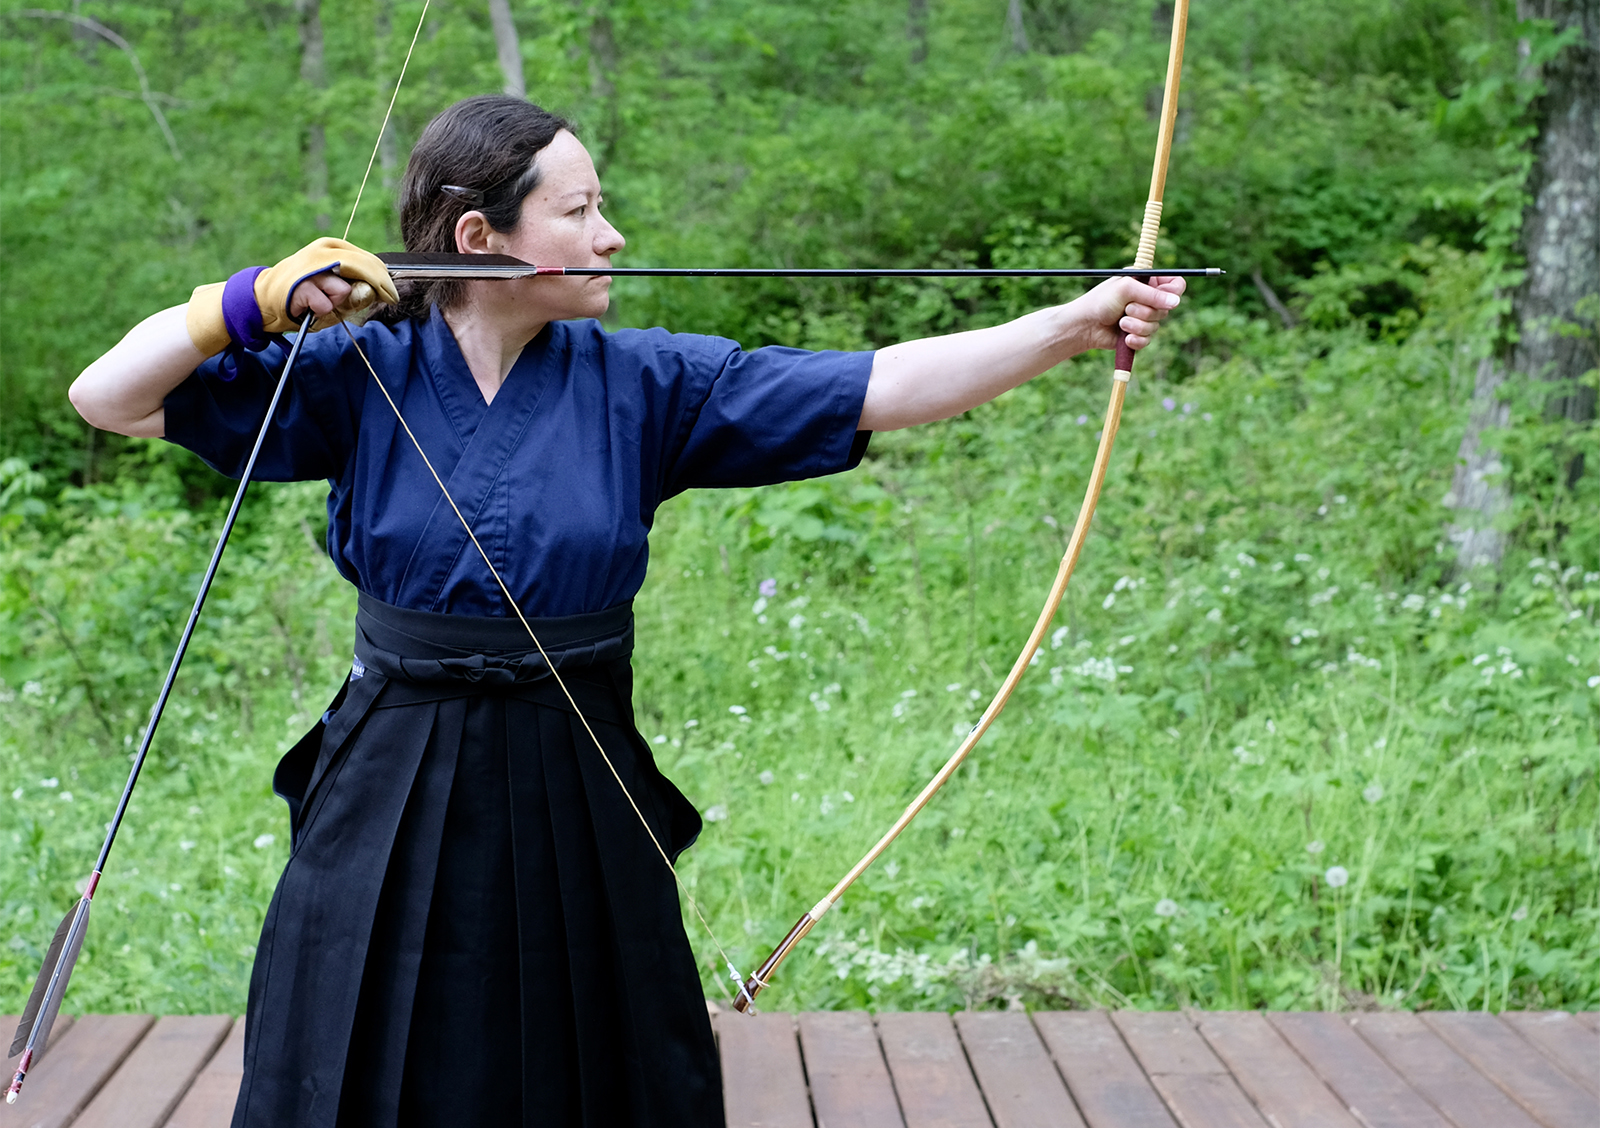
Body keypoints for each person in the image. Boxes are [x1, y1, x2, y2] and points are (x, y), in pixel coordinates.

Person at [68, 95, 1184, 1128]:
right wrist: (244, 302)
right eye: (580, 209)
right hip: (390, 772)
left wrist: (1073, 326)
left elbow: (876, 384)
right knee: (361, 1045)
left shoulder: (650, 383)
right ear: (478, 240)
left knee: (600, 1057)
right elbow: (108, 398)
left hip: (576, 761)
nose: (610, 236)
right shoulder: (357, 372)